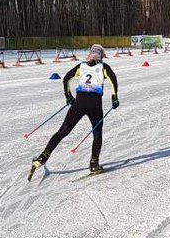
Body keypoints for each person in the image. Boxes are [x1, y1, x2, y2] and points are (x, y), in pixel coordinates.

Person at [30, 44, 119, 177]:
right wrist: (114, 97)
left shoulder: (81, 66)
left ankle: (43, 157)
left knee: (63, 130)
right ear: (101, 56)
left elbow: (66, 79)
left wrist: (68, 96)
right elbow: (113, 80)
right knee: (97, 134)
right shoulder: (103, 67)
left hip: (79, 103)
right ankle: (94, 164)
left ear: (90, 54)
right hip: (95, 104)